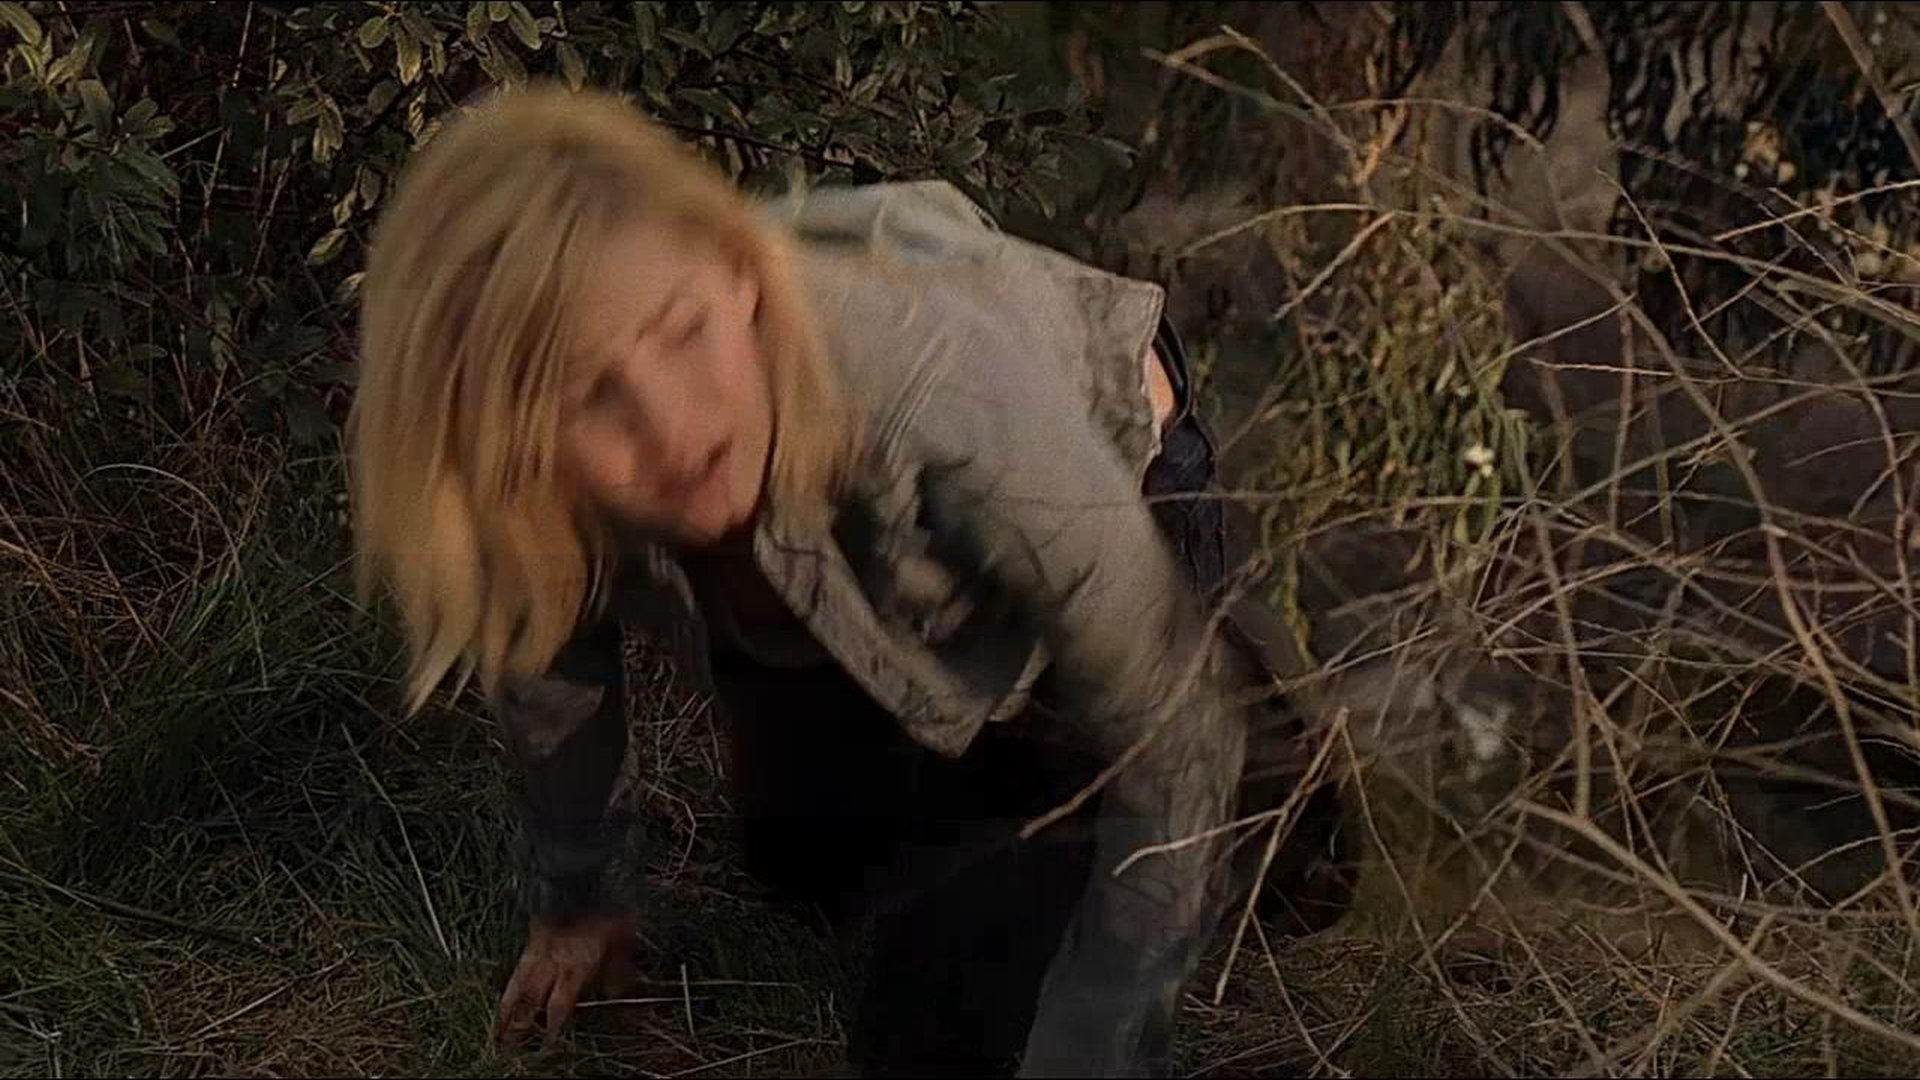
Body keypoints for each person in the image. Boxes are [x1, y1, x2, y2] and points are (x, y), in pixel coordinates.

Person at [347, 81, 1345, 1078]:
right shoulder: (554, 487)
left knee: (961, 1012)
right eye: (593, 396)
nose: (672, 425)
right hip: (869, 523)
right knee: (807, 853)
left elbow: (1168, 717)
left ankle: (1271, 783)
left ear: (741, 281)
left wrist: (1096, 1035)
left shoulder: (928, 387)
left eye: (684, 333)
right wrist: (578, 898)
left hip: (1104, 462)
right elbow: (553, 660)